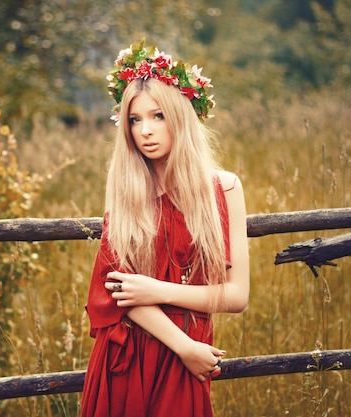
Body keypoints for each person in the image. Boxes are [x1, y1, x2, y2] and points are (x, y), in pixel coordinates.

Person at [80, 39, 250, 417]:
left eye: (158, 116)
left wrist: (156, 290)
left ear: (181, 117)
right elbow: (117, 293)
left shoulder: (223, 188)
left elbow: (236, 296)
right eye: (135, 120)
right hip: (126, 353)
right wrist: (182, 346)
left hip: (190, 349)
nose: (146, 131)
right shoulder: (125, 186)